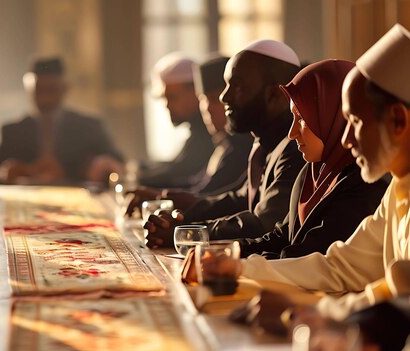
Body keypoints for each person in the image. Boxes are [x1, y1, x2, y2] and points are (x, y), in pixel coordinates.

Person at [201, 23, 410, 330]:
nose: (347, 139)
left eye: (355, 122)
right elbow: (340, 267)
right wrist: (239, 267)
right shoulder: (398, 189)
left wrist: (313, 314)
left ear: (397, 120)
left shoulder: (371, 186)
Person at [144, 40, 305, 248]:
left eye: (236, 85)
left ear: (275, 94)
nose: (224, 97)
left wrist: (189, 233)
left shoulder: (296, 148)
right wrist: (186, 215)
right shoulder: (267, 144)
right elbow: (242, 199)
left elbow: (263, 224)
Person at [236, 59, 388, 259]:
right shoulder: (311, 173)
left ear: (331, 115)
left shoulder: (365, 184)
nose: (292, 133)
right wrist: (227, 251)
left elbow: (310, 256)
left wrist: (238, 265)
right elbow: (284, 236)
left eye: (302, 119)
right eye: (293, 118)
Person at [126, 55, 253, 214]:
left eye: (215, 100)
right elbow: (199, 187)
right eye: (203, 99)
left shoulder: (244, 145)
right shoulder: (225, 142)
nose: (207, 108)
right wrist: (157, 195)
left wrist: (156, 195)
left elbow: (219, 200)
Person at [0, 57, 124, 185]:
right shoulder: (12, 132)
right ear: (29, 90)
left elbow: (118, 164)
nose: (45, 97)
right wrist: (3, 173)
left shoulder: (89, 128)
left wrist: (98, 167)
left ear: (65, 88)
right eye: (39, 90)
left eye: (51, 89)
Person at [137, 53, 214, 188]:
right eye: (164, 98)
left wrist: (136, 178)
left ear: (195, 91)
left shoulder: (209, 131)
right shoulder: (197, 129)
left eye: (172, 97)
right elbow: (178, 164)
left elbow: (183, 170)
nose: (167, 105)